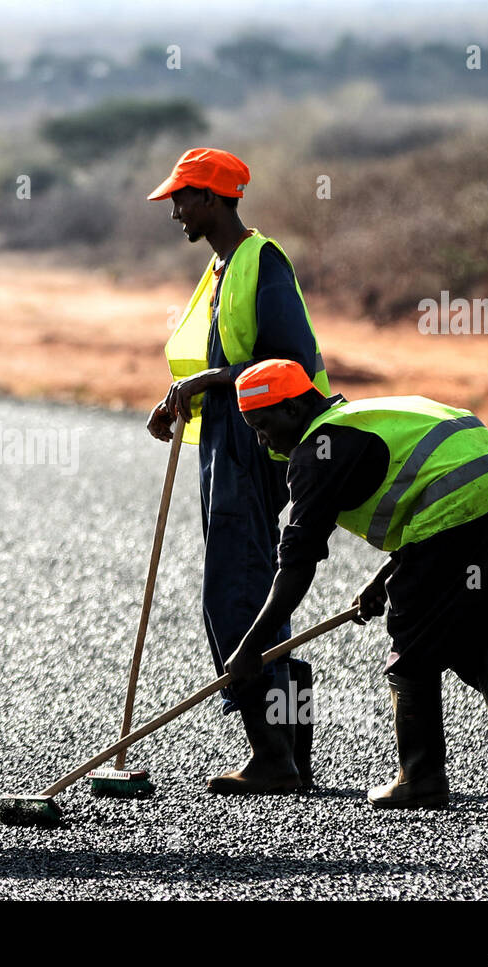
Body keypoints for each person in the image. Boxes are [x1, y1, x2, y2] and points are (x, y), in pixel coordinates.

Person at [225, 358, 488, 808]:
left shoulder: (320, 449)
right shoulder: (365, 418)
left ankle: (420, 777)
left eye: (262, 425)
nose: (262, 440)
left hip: (454, 516)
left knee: (411, 650)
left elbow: (297, 563)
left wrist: (251, 646)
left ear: (294, 409)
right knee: (481, 632)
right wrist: (384, 576)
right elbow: (429, 483)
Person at [144, 148, 331, 795]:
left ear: (215, 199)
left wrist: (200, 381)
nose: (176, 211)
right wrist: (183, 394)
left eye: (183, 198)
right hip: (226, 439)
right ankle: (291, 755)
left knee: (236, 591)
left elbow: (288, 365)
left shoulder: (261, 261)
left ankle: (273, 755)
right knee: (255, 590)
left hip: (257, 446)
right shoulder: (221, 268)